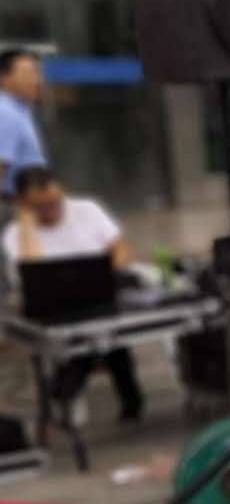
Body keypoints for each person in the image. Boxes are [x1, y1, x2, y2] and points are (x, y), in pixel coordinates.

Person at [2, 166, 144, 421]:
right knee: (95, 341)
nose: (52, 210)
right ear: (23, 203)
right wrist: (27, 224)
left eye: (55, 201)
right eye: (40, 206)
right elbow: (31, 273)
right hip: (52, 309)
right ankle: (122, 397)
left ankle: (66, 392)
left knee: (102, 334)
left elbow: (121, 250)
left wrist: (108, 270)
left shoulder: (86, 210)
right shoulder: (15, 234)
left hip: (100, 299)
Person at [0, 50, 46, 199]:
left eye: (37, 73)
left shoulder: (20, 110)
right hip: (13, 203)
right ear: (3, 77)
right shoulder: (5, 112)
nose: (36, 80)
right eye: (27, 74)